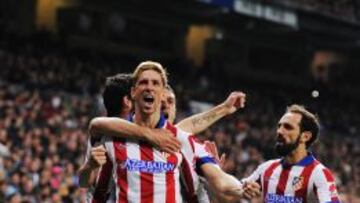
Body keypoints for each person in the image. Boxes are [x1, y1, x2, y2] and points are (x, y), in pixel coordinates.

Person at [84, 61, 260, 202]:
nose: (149, 87)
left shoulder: (181, 139)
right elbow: (86, 184)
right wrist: (89, 167)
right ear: (133, 93)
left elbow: (220, 179)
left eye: (156, 84)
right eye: (143, 82)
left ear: (160, 94)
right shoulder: (113, 137)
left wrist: (240, 186)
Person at [242, 104, 341, 203]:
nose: (279, 131)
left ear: (305, 136)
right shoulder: (266, 168)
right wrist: (245, 188)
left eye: (288, 127)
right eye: (279, 126)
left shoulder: (319, 173)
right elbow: (237, 188)